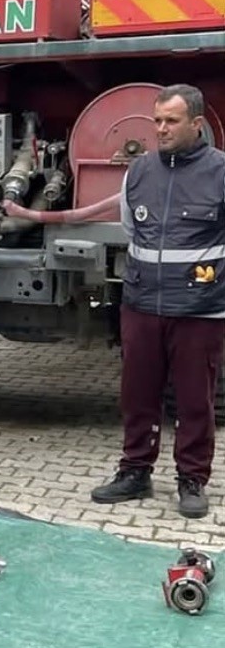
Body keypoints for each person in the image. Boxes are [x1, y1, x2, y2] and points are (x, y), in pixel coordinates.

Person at [91, 84, 225, 519]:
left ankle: (192, 478)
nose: (161, 129)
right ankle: (134, 471)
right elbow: (133, 230)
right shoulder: (140, 171)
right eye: (157, 121)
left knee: (193, 400)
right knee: (137, 395)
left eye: (171, 121)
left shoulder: (220, 172)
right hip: (142, 304)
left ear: (197, 124)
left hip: (200, 310)